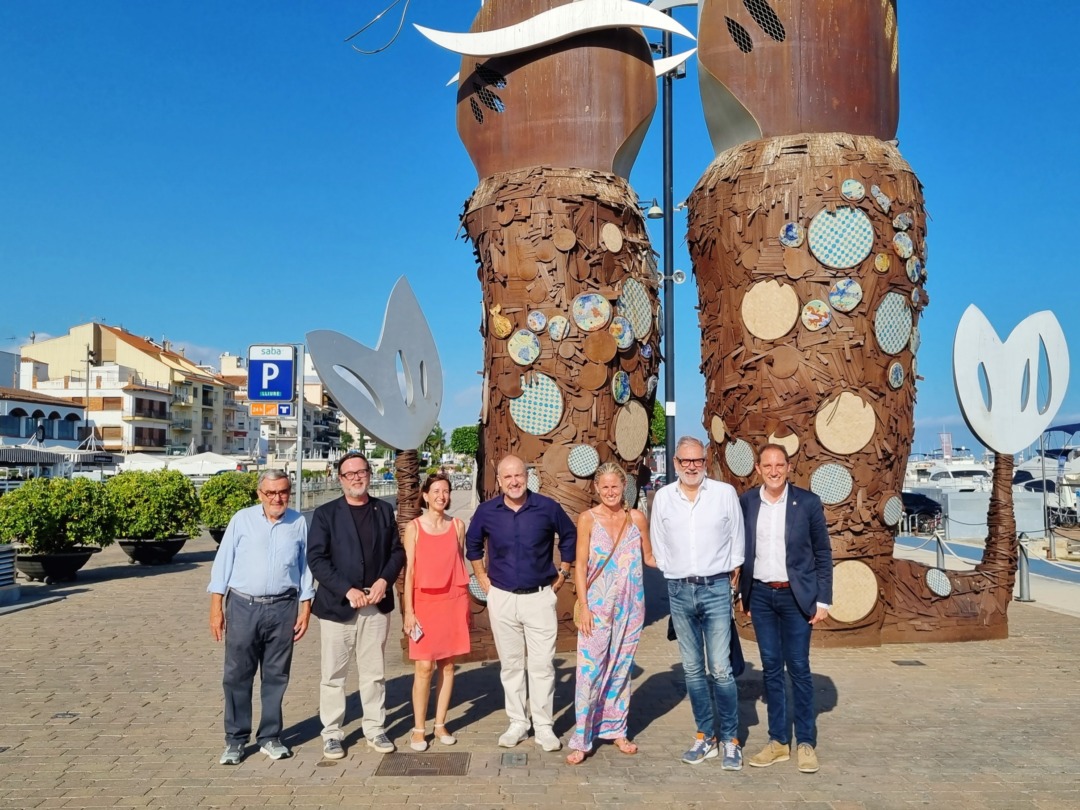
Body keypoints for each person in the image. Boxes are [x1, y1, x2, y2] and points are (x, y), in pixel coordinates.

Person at [465, 455, 576, 752]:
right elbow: (472, 544)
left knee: (541, 666)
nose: (514, 482)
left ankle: (543, 726)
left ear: (527, 477)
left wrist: (563, 572)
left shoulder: (547, 508)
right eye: (508, 477)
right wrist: (482, 577)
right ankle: (517, 722)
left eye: (519, 476)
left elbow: (569, 536)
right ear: (499, 481)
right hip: (502, 598)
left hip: (540, 597)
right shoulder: (487, 512)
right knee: (512, 666)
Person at [649, 436, 746, 769]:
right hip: (678, 590)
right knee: (692, 670)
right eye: (685, 461)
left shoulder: (723, 494)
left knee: (720, 668)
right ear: (675, 463)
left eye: (698, 461)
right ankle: (706, 735)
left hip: (716, 588)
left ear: (705, 462)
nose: (691, 466)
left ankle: (731, 738)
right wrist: (670, 569)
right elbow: (658, 541)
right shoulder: (663, 498)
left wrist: (732, 572)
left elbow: (737, 537)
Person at [207, 470, 314, 765]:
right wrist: (216, 607)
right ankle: (235, 740)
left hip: (283, 607)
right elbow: (223, 562)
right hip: (243, 606)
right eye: (271, 493)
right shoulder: (242, 519)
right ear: (260, 494)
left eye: (283, 492)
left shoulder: (298, 522)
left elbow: (306, 567)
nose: (277, 498)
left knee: (276, 676)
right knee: (236, 675)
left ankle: (269, 736)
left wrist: (306, 606)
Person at [740, 443, 833, 774]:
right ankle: (778, 741)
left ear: (789, 467)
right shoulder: (749, 501)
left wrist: (823, 600)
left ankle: (805, 742)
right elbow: (742, 550)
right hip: (763, 596)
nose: (774, 470)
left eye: (780, 465)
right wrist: (744, 594)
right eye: (768, 465)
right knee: (770, 668)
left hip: (796, 598)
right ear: (759, 468)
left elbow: (822, 553)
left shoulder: (807, 503)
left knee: (798, 667)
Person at [307, 451, 405, 759]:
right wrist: (347, 589)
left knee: (373, 672)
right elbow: (316, 560)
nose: (356, 478)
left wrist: (383, 581)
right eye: (349, 474)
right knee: (334, 675)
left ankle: (375, 728)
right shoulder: (325, 515)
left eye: (361, 472)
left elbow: (397, 553)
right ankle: (332, 733)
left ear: (369, 474)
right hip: (338, 606)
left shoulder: (383, 509)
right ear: (340, 479)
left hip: (375, 605)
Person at [566, 462, 655, 765]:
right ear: (596, 488)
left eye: (615, 486)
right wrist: (585, 605)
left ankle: (617, 729)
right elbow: (580, 565)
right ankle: (582, 737)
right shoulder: (588, 519)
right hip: (598, 606)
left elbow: (651, 557)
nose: (610, 492)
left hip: (632, 606)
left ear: (624, 487)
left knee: (621, 668)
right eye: (604, 487)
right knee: (589, 671)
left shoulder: (637, 518)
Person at [402, 473, 471, 752]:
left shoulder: (458, 526)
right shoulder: (414, 527)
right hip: (424, 603)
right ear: (426, 495)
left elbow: (459, 562)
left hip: (452, 600)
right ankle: (419, 728)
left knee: (449, 665)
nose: (441, 495)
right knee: (423, 667)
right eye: (436, 491)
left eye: (446, 491)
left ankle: (440, 723)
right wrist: (408, 610)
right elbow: (409, 573)